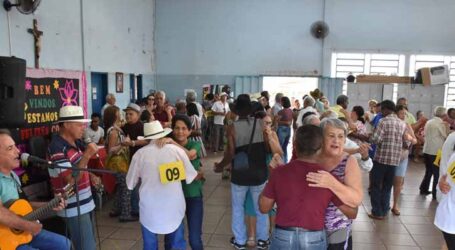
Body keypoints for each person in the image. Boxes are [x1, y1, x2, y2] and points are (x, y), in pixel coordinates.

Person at [259, 125, 357, 250]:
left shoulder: (279, 173)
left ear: (294, 145)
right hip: (314, 237)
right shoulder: (327, 178)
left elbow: (263, 207)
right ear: (321, 148)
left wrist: (271, 176)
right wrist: (342, 186)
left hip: (283, 236)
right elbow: (352, 212)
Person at [126, 121, 198, 250]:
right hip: (174, 206)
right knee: (176, 244)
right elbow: (190, 176)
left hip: (149, 208)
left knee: (150, 245)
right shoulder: (176, 151)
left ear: (147, 137)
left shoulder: (139, 155)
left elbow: (130, 183)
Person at [0, 129, 71, 250]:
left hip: (22, 231)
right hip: (6, 240)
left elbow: (21, 207)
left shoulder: (13, 175)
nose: (18, 151)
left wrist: (49, 205)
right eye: (10, 148)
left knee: (64, 244)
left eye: (16, 147)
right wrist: (28, 225)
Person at [48, 105, 101, 250]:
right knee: (86, 246)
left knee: (89, 243)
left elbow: (78, 166)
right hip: (73, 207)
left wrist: (91, 175)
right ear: (66, 125)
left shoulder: (76, 143)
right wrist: (87, 155)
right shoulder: (56, 148)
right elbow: (71, 180)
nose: (83, 128)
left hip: (85, 203)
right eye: (79, 124)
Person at [307, 118, 363, 249]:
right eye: (331, 136)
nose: (336, 141)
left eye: (340, 136)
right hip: (308, 228)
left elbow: (355, 200)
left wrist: (332, 184)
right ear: (321, 138)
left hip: (337, 228)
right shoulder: (310, 158)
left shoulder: (349, 162)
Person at [224, 94, 270, 249]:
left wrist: (220, 166)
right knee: (260, 208)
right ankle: (263, 239)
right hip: (259, 174)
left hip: (240, 175)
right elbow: (268, 148)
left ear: (236, 111)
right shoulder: (261, 124)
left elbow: (230, 153)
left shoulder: (232, 128)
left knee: (238, 207)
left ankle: (240, 241)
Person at [157, 114, 205, 250]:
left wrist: (173, 143)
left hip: (193, 195)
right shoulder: (165, 144)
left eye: (184, 128)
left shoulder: (193, 143)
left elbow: (190, 155)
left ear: (190, 131)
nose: (180, 132)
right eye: (177, 128)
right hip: (172, 197)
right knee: (171, 237)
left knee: (195, 239)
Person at [368, 100, 409, 220]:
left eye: (382, 110)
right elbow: (406, 143)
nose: (381, 112)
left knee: (375, 186)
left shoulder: (383, 121)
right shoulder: (402, 123)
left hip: (381, 159)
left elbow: (376, 139)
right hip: (394, 161)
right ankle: (385, 210)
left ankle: (377, 212)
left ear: (386, 109)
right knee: (387, 186)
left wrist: (370, 136)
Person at [121, 103, 148, 218]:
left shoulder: (142, 127)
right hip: (129, 159)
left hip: (142, 160)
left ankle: (138, 209)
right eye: (126, 114)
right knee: (132, 184)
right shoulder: (125, 126)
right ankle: (135, 208)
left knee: (140, 185)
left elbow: (147, 141)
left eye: (131, 114)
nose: (128, 116)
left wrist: (132, 143)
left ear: (138, 115)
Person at [391, 105, 417, 216]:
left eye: (404, 114)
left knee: (398, 182)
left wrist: (410, 138)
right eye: (401, 113)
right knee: (387, 182)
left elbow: (415, 140)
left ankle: (395, 204)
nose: (403, 116)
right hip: (390, 156)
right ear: (395, 113)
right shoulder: (391, 124)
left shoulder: (406, 125)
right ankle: (384, 203)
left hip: (402, 157)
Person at [421, 106, 449, 199]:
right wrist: (447, 127)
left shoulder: (429, 121)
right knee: (436, 173)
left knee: (428, 171)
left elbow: (424, 134)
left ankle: (423, 189)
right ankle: (435, 193)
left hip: (426, 149)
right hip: (436, 151)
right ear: (444, 115)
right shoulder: (441, 123)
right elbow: (446, 136)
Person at [275, 96, 293, 163]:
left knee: (280, 147)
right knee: (285, 147)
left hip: (282, 129)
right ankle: (285, 161)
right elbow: (290, 123)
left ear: (283, 102)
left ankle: (280, 162)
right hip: (288, 130)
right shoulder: (291, 111)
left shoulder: (281, 112)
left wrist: (280, 122)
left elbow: (277, 121)